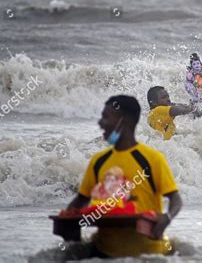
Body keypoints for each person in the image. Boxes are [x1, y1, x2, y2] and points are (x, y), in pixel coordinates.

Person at [66, 95, 183, 257]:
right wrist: (69, 223)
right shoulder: (98, 161)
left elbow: (175, 199)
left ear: (125, 121)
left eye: (106, 118)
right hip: (105, 251)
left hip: (149, 253)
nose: (100, 123)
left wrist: (167, 218)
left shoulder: (152, 159)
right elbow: (79, 201)